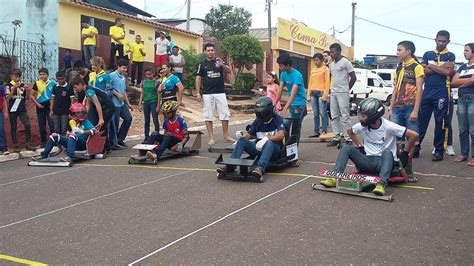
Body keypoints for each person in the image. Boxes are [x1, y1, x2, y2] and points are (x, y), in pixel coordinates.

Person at [320, 98, 419, 196]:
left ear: (373, 115)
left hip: (385, 162)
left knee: (387, 152)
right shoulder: (362, 126)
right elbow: (350, 131)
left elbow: (414, 135)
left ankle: (381, 184)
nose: (360, 118)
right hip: (368, 161)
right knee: (346, 147)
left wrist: (405, 152)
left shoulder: (389, 126)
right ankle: (334, 177)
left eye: (363, 115)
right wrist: (360, 146)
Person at [217, 97, 286, 178]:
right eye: (259, 113)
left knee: (269, 143)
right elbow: (249, 135)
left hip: (274, 150)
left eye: (263, 113)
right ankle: (230, 166)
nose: (261, 115)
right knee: (242, 141)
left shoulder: (277, 119)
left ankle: (260, 168)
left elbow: (281, 135)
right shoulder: (258, 121)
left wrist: (267, 139)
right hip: (259, 148)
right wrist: (242, 136)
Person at [417, 30, 456, 161]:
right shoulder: (428, 54)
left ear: (448, 42)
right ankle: (415, 148)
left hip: (442, 91)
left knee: (441, 122)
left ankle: (439, 150)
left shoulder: (451, 55)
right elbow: (423, 71)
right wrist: (439, 68)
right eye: (439, 40)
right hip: (427, 91)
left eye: (444, 41)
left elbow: (448, 73)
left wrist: (431, 66)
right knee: (421, 122)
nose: (441, 43)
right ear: (435, 40)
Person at [387, 41, 424, 166]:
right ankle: (397, 163)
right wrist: (390, 107)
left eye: (399, 50)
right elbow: (395, 89)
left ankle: (408, 163)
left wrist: (415, 110)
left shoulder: (417, 67)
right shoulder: (399, 67)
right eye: (397, 50)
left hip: (410, 106)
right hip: (397, 106)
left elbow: (419, 89)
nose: (397, 52)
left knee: (411, 136)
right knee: (395, 135)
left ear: (408, 51)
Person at [32, 103, 98, 163]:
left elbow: (94, 131)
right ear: (73, 114)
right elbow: (69, 133)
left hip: (83, 145)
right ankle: (44, 155)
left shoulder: (86, 122)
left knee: (73, 135)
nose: (80, 114)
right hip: (72, 142)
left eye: (82, 112)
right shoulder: (73, 122)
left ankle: (69, 157)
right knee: (54, 135)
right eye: (78, 113)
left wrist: (82, 131)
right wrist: (68, 134)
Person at [195, 43, 233, 145]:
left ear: (214, 51)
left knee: (225, 114)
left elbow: (229, 71)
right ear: (205, 52)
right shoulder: (202, 64)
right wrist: (198, 93)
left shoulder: (219, 61)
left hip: (220, 92)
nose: (210, 52)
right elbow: (198, 78)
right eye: (208, 50)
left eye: (212, 50)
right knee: (208, 115)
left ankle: (226, 136)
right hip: (207, 93)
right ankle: (211, 138)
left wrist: (222, 65)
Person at [72, 76, 114, 153]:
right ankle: (105, 147)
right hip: (104, 107)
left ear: (81, 84)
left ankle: (106, 148)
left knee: (102, 127)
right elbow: (88, 104)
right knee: (98, 126)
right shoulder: (86, 91)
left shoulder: (90, 90)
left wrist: (101, 119)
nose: (75, 89)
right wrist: (84, 116)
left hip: (108, 107)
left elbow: (97, 104)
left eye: (76, 87)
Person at [326, 43, 357, 147]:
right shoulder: (331, 64)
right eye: (330, 52)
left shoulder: (346, 62)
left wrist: (347, 89)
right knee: (334, 116)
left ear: (339, 52)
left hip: (343, 92)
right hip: (333, 92)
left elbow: (353, 77)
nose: (331, 54)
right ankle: (336, 138)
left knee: (345, 116)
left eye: (333, 52)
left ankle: (348, 139)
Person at [275, 52, 307, 145]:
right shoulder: (283, 74)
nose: (280, 68)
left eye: (281, 66)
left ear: (288, 65)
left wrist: (285, 109)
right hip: (291, 104)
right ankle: (286, 149)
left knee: (295, 129)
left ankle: (293, 152)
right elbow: (280, 90)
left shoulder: (297, 75)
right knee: (285, 127)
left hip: (299, 104)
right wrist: (273, 103)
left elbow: (293, 94)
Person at [451, 43, 474, 166]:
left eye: (467, 50)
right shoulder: (462, 67)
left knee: (473, 129)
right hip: (461, 100)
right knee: (462, 129)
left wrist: (461, 83)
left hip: (472, 100)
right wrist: (467, 81)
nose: (464, 52)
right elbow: (453, 82)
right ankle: (464, 154)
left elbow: (473, 80)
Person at [5, 68, 35, 152]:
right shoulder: (8, 86)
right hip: (12, 108)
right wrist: (14, 88)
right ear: (11, 77)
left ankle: (28, 143)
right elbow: (8, 99)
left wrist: (28, 90)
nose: (17, 79)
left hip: (22, 108)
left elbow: (27, 98)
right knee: (14, 127)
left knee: (27, 124)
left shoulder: (22, 85)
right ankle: (15, 145)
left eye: (19, 77)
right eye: (16, 77)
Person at [110, 59, 133, 147]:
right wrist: (116, 94)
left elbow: (123, 91)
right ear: (118, 66)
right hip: (114, 103)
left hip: (122, 103)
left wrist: (128, 104)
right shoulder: (111, 75)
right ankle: (114, 142)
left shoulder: (123, 77)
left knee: (128, 118)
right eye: (123, 68)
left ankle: (120, 139)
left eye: (126, 68)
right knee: (115, 123)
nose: (125, 70)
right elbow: (108, 88)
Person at [31, 68, 57, 147]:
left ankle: (55, 141)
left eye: (44, 74)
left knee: (52, 124)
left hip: (50, 107)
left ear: (47, 75)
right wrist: (37, 104)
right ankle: (44, 142)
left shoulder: (53, 83)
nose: (42, 76)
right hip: (40, 106)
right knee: (42, 125)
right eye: (40, 74)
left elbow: (56, 95)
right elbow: (31, 95)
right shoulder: (37, 83)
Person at [307, 53, 330, 138]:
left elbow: (327, 83)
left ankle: (324, 130)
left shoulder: (325, 69)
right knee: (315, 113)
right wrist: (308, 95)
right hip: (313, 93)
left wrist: (325, 95)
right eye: (314, 60)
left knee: (322, 113)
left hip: (321, 93)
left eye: (317, 60)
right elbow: (310, 83)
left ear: (321, 60)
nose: (315, 62)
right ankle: (316, 131)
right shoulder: (313, 70)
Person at [51, 70, 74, 135]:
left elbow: (72, 99)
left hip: (65, 111)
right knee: (56, 128)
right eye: (58, 79)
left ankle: (63, 143)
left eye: (62, 79)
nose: (60, 81)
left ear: (65, 78)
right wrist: (51, 110)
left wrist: (70, 111)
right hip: (56, 111)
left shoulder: (69, 87)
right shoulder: (55, 87)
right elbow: (52, 99)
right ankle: (56, 143)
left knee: (64, 128)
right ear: (56, 79)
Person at [139, 68, 160, 138]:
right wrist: (140, 103)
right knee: (146, 120)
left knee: (155, 119)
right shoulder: (143, 82)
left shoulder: (156, 82)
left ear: (153, 73)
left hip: (153, 101)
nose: (148, 76)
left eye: (149, 74)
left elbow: (158, 94)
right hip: (146, 102)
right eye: (147, 74)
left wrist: (158, 105)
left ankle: (157, 136)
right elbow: (142, 93)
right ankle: (146, 136)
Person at [0, 81, 9, 155]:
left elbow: (4, 100)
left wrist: (6, 111)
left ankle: (4, 148)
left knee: (1, 128)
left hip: (0, 112)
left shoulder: (1, 88)